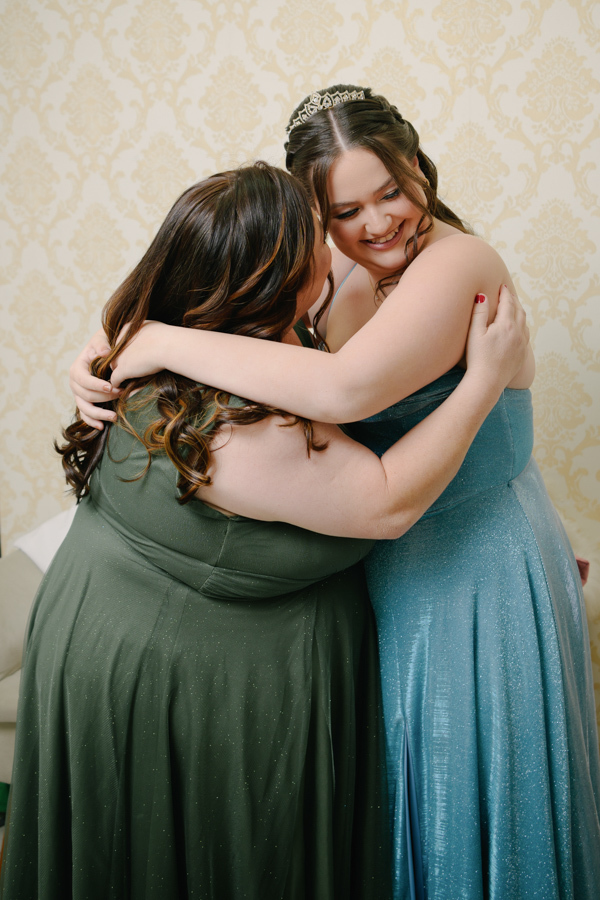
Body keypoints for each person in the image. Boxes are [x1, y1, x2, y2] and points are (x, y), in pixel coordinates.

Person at [71, 86, 600, 900]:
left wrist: (158, 339)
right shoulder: (329, 269)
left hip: (472, 567)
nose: (379, 223)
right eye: (346, 210)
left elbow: (346, 388)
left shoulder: (459, 262)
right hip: (379, 566)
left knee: (469, 791)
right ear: (314, 211)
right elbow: (217, 293)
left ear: (418, 165)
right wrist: (105, 342)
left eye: (392, 191)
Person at [0, 163, 529, 900]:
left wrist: (134, 332)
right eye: (318, 233)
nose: (337, 245)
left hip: (132, 622)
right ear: (273, 279)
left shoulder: (216, 339)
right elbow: (387, 503)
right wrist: (482, 382)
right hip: (162, 670)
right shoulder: (230, 428)